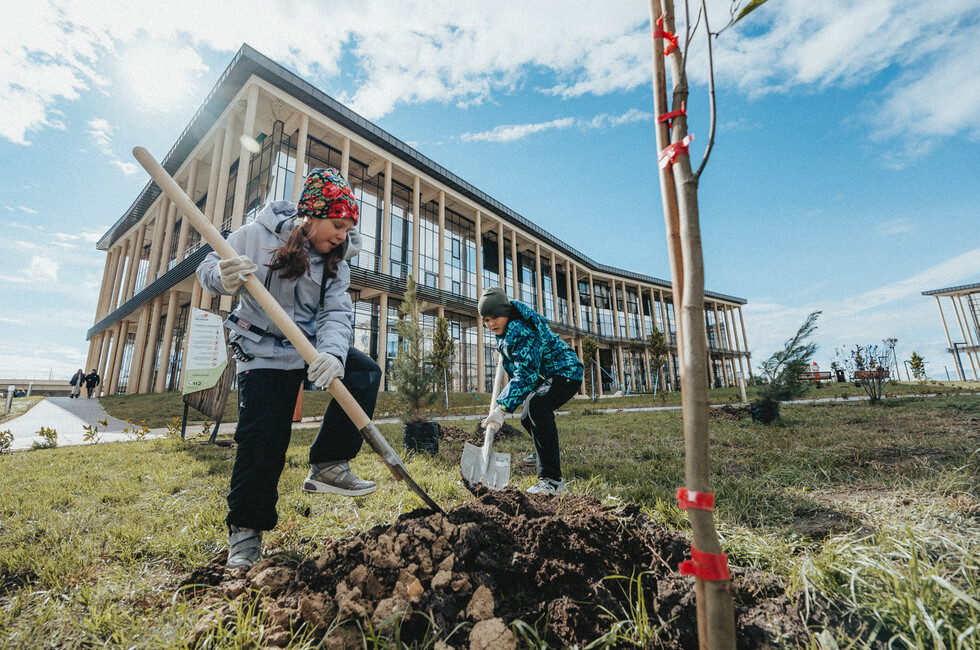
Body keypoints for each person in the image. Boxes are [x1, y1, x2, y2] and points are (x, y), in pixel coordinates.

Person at [197, 167, 381, 568]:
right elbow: (208, 268)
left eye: (348, 229)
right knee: (264, 441)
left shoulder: (336, 260)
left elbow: (336, 311)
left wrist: (332, 352)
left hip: (311, 348)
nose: (342, 236)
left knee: (364, 371)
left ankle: (329, 464)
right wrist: (222, 278)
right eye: (336, 224)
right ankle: (245, 534)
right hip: (262, 350)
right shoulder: (253, 235)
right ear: (310, 215)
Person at [478, 286, 584, 494]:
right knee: (528, 415)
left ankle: (552, 481)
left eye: (495, 318)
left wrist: (501, 409)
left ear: (505, 312)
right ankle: (543, 451)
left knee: (537, 406)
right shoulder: (508, 328)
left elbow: (526, 374)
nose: (490, 324)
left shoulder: (522, 330)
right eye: (486, 320)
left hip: (566, 372)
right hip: (548, 374)